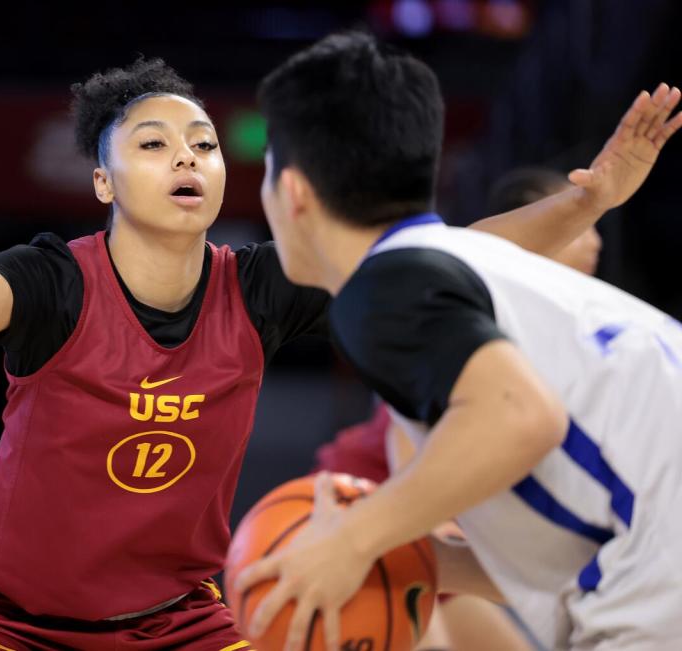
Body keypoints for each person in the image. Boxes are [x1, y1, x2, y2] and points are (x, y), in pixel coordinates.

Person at [0, 54, 661, 650]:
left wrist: (587, 201)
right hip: (13, 624)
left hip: (180, 621)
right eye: (152, 143)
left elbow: (456, 249)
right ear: (103, 182)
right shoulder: (54, 281)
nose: (186, 153)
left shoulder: (258, 287)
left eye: (203, 144)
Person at [235, 30, 682, 651]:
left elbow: (524, 416)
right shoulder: (438, 265)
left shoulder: (381, 292)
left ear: (293, 192)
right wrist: (424, 556)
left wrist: (350, 539)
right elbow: (557, 554)